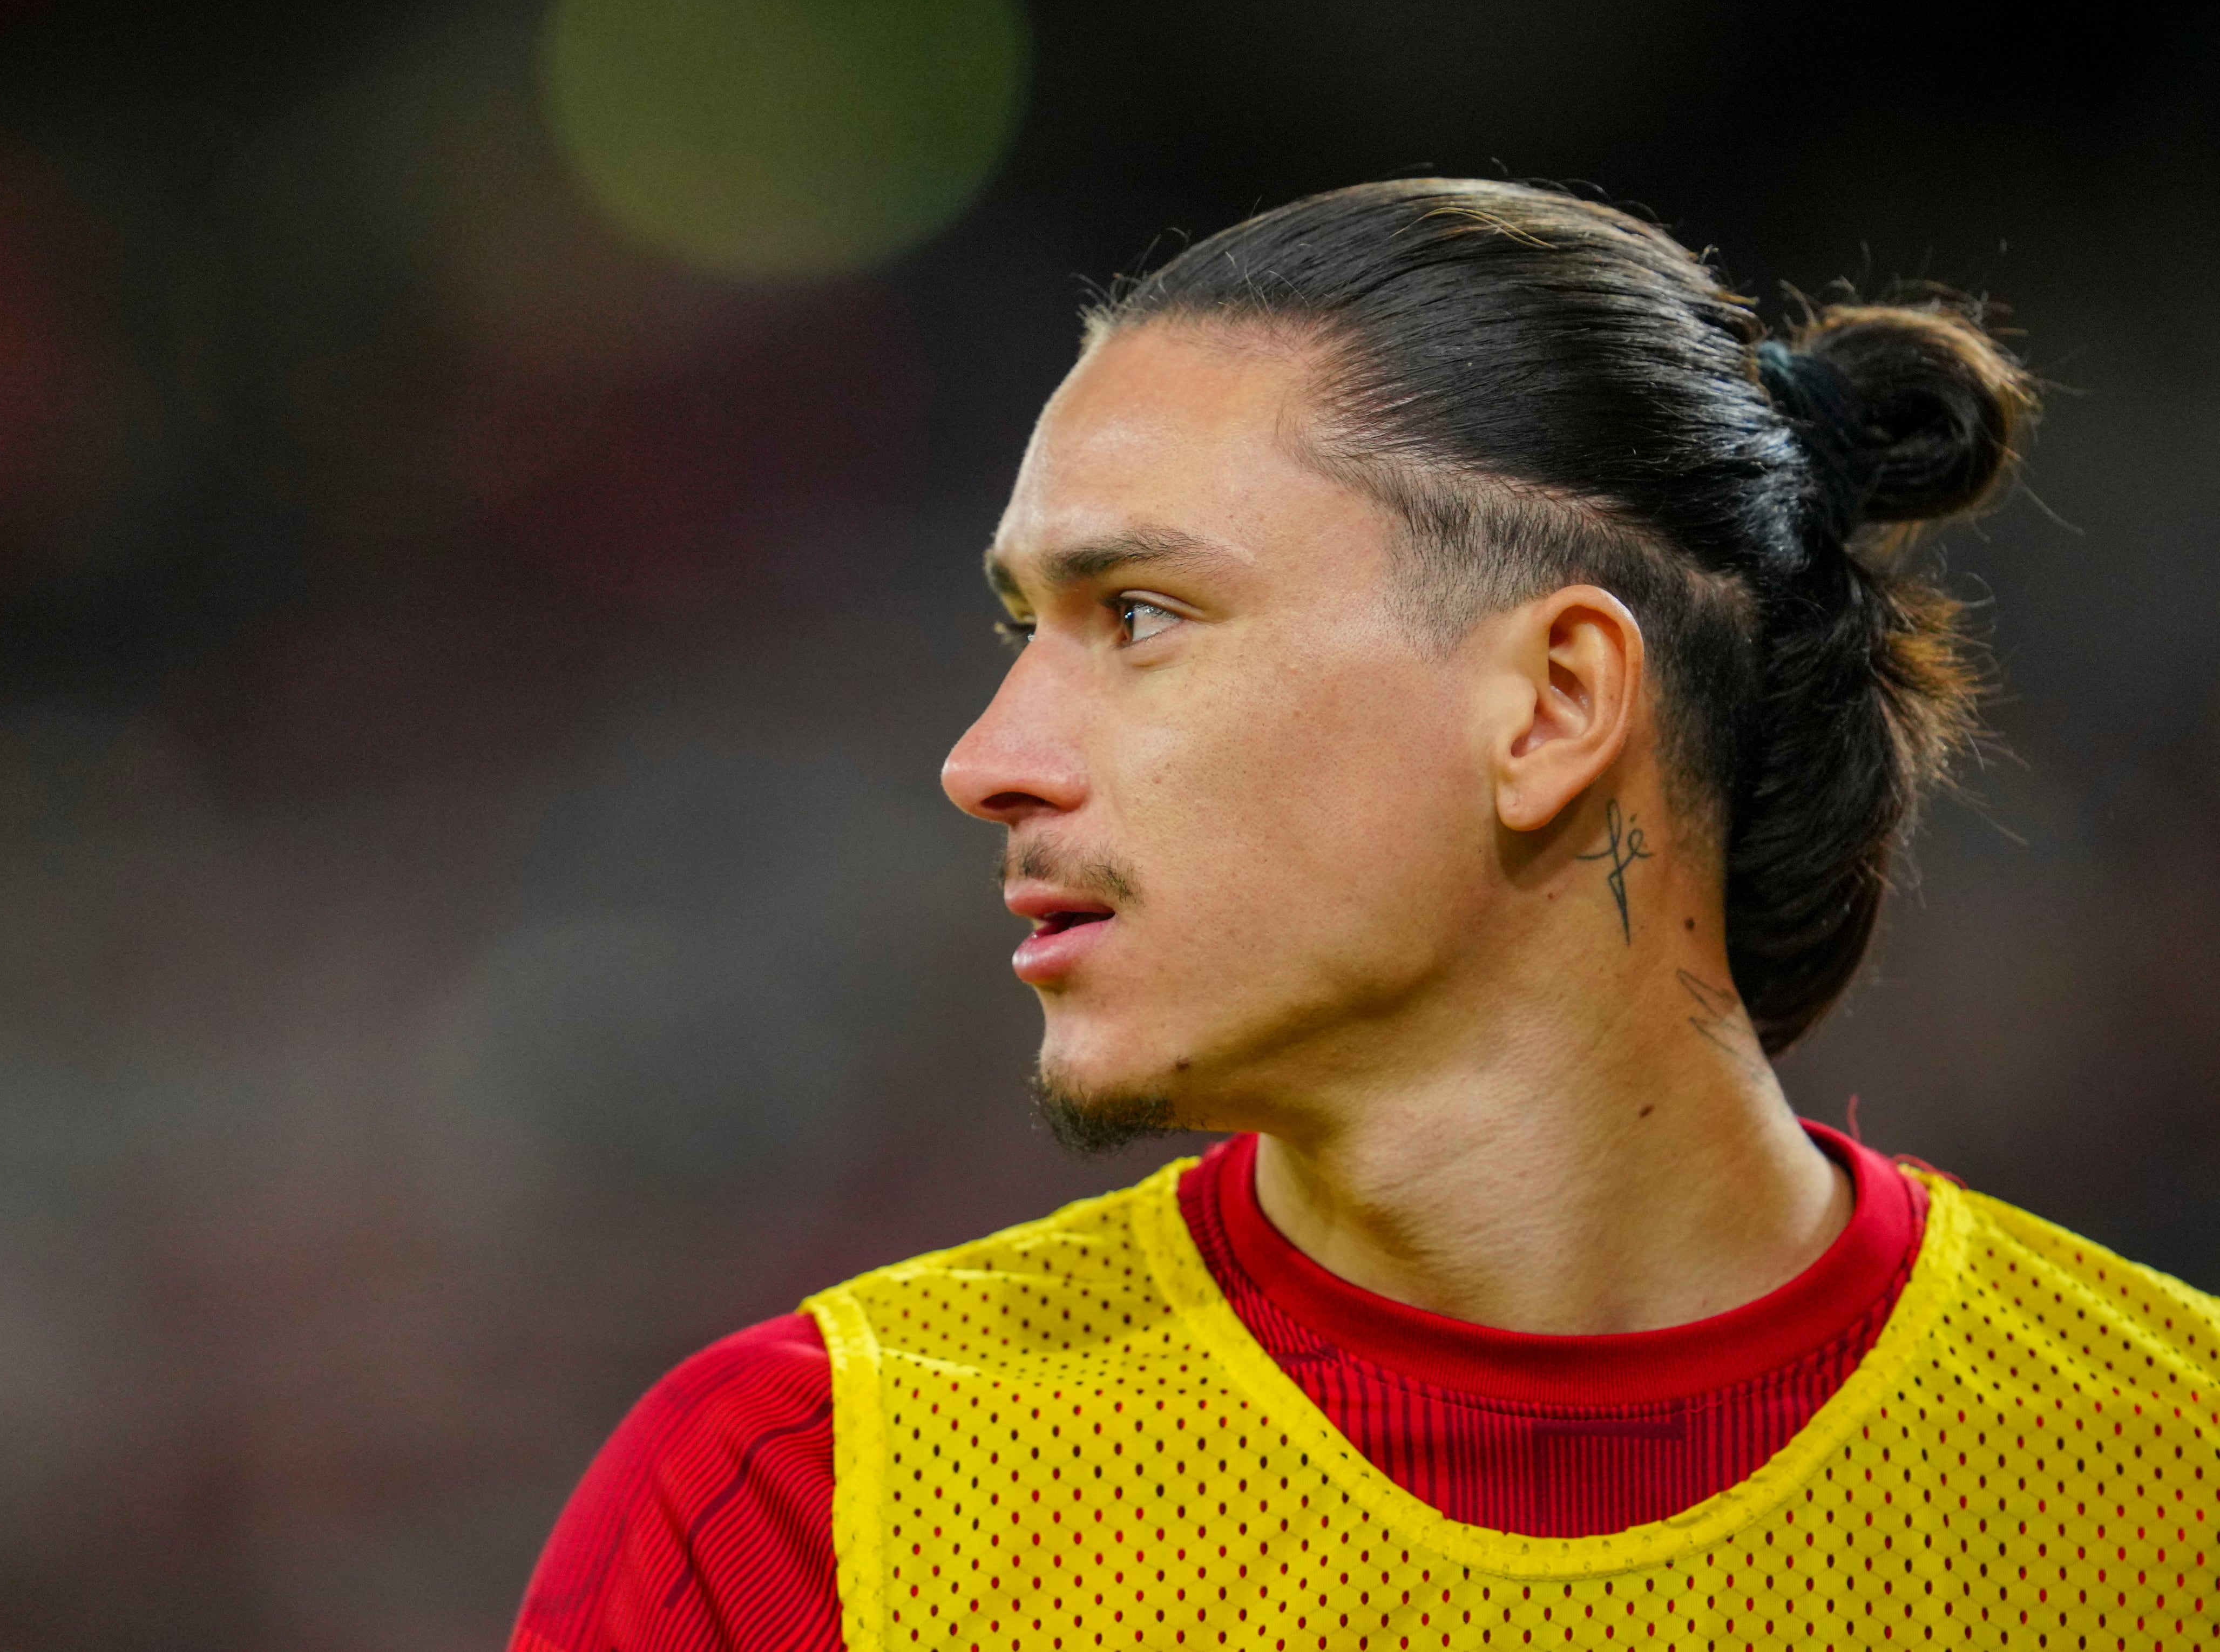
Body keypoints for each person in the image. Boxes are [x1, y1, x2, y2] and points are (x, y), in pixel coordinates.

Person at [507, 179, 2219, 1651]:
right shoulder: (804, 1507)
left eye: (1143, 613)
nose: (987, 760)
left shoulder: (2169, 1481)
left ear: (1553, 702)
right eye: (1020, 629)